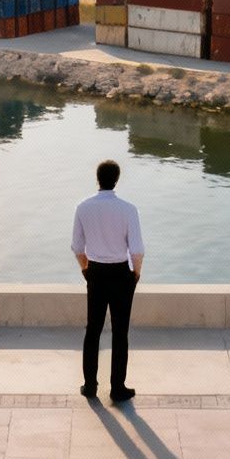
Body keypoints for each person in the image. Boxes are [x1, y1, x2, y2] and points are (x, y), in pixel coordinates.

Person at [70, 158, 145, 402]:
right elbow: (137, 250)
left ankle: (90, 385)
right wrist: (136, 273)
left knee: (93, 329)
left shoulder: (83, 207)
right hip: (121, 273)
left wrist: (86, 270)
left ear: (98, 179)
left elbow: (77, 246)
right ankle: (117, 387)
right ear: (117, 179)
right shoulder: (128, 209)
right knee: (120, 332)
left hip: (96, 273)